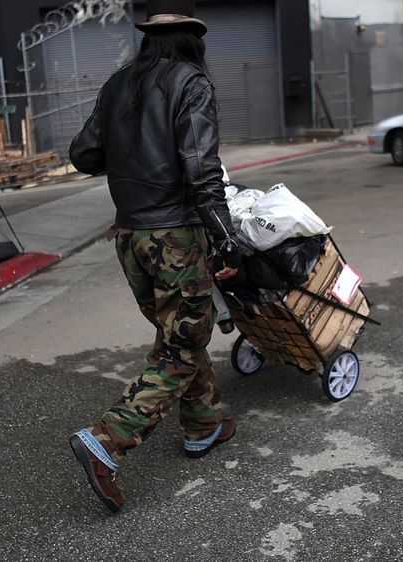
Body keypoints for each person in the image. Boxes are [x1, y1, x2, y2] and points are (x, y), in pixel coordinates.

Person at [67, 0, 241, 513]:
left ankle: (203, 424)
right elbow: (202, 169)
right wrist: (226, 237)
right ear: (192, 40)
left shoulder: (119, 83)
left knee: (179, 333)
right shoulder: (192, 83)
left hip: (129, 236)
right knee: (180, 347)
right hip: (176, 237)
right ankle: (106, 441)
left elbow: (83, 155)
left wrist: (129, 148)